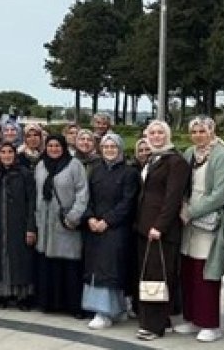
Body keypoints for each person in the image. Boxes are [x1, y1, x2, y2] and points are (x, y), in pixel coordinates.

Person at [174, 116, 224, 343]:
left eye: (203, 131)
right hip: (187, 221)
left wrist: (191, 212)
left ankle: (210, 323)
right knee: (188, 270)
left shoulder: (223, 156)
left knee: (205, 273)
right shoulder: (190, 153)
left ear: (212, 131)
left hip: (208, 222)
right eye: (195, 131)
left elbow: (221, 194)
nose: (199, 135)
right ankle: (191, 319)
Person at [134, 120, 191, 341]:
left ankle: (153, 326)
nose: (156, 136)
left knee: (158, 278)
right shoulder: (152, 158)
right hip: (144, 227)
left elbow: (172, 198)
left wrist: (160, 225)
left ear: (167, 135)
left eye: (160, 133)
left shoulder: (175, 162)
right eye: (152, 132)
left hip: (161, 231)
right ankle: (156, 320)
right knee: (148, 276)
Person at [82, 132, 139, 329]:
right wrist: (89, 217)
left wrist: (107, 221)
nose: (109, 150)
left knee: (112, 269)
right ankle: (101, 309)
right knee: (95, 269)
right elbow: (87, 197)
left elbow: (128, 202)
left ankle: (107, 312)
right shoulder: (95, 171)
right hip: (94, 227)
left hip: (116, 229)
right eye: (106, 147)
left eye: (113, 147)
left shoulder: (130, 173)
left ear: (120, 149)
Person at [33, 133, 89, 317]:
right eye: (50, 146)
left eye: (57, 146)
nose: (54, 149)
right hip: (45, 223)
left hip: (66, 224)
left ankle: (72, 305)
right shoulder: (41, 165)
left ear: (64, 147)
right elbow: (36, 193)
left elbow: (82, 193)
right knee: (48, 264)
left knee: (68, 264)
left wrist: (74, 216)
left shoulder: (75, 166)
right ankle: (49, 303)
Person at [0, 140, 37, 310]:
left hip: (19, 223)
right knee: (0, 257)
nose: (7, 155)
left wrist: (30, 227)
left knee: (20, 259)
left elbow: (32, 202)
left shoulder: (25, 174)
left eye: (10, 152)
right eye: (3, 152)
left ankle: (22, 296)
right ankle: (2, 294)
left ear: (15, 154)